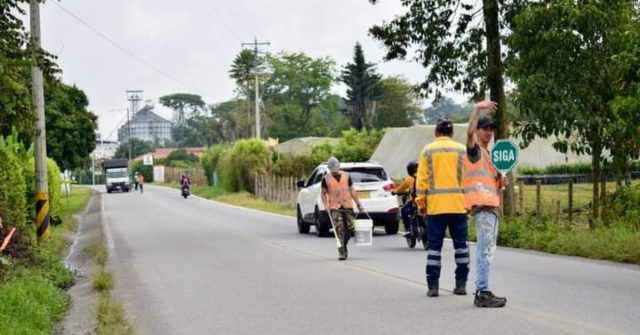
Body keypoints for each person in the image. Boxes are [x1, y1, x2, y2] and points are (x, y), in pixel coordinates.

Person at [416, 117, 469, 297]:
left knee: (434, 248)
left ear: (436, 132)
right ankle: (461, 285)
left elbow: (421, 181)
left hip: (436, 208)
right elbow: (468, 179)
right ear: (452, 133)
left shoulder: (427, 151)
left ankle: (433, 287)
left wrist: (421, 205)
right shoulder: (462, 150)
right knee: (461, 248)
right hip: (458, 206)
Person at [465, 101, 508, 308]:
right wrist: (477, 108)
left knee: (488, 251)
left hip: (492, 209)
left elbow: (493, 184)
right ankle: (482, 292)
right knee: (484, 250)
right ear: (478, 131)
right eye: (485, 129)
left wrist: (501, 182)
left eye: (491, 130)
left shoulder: (489, 156)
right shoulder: (475, 152)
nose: (489, 133)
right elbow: (469, 133)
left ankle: (484, 290)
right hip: (482, 209)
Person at [321, 157, 364, 261]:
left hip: (347, 206)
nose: (334, 171)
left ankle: (344, 245)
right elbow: (323, 193)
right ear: (329, 169)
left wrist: (359, 204)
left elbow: (352, 191)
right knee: (339, 229)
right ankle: (341, 252)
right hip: (335, 208)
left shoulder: (347, 176)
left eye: (335, 169)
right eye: (332, 170)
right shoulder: (325, 179)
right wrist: (326, 205)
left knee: (349, 229)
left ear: (339, 167)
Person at [392, 160, 418, 236]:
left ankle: (408, 229)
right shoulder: (426, 177)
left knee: (404, 210)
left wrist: (394, 191)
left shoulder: (408, 179)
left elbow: (399, 189)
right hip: (427, 200)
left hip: (414, 201)